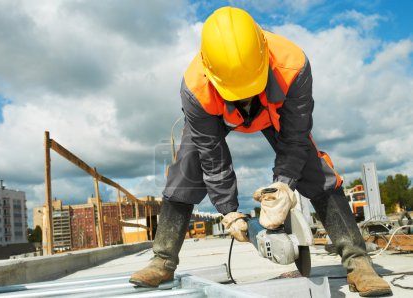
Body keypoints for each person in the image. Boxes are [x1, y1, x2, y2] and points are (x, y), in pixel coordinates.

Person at [130, 7, 392, 297]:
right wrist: (229, 212)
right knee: (187, 167)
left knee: (315, 169)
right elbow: (213, 158)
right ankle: (163, 260)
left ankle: (358, 262)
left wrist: (282, 186)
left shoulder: (293, 65)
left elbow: (295, 138)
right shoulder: (195, 87)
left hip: (273, 111)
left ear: (264, 53)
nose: (245, 96)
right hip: (217, 115)